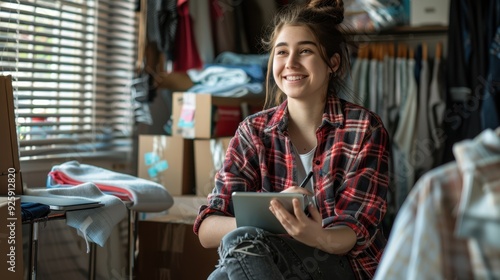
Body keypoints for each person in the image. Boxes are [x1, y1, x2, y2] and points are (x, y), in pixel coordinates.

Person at [193, 0, 390, 279]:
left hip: (339, 264)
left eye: (305, 51)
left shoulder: (364, 129)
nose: (290, 63)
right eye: (281, 52)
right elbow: (206, 228)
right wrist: (271, 221)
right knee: (240, 245)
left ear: (333, 63)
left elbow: (357, 230)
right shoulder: (252, 132)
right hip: (266, 258)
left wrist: (315, 235)